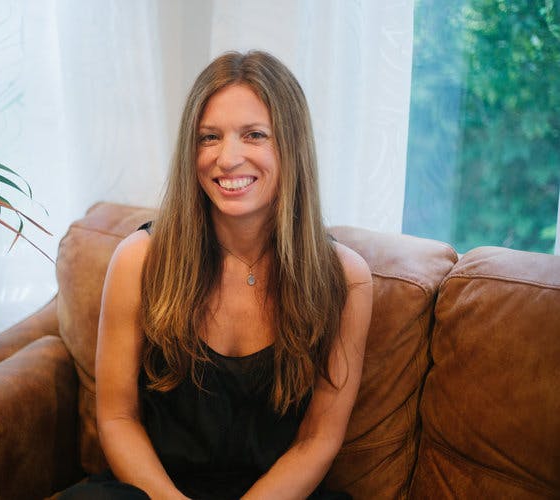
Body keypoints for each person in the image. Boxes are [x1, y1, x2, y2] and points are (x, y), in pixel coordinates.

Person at [60, 50, 373, 500]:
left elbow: (316, 440)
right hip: (155, 492)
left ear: (292, 145)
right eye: (209, 137)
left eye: (254, 135)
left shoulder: (345, 279)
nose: (228, 158)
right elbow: (117, 418)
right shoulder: (139, 260)